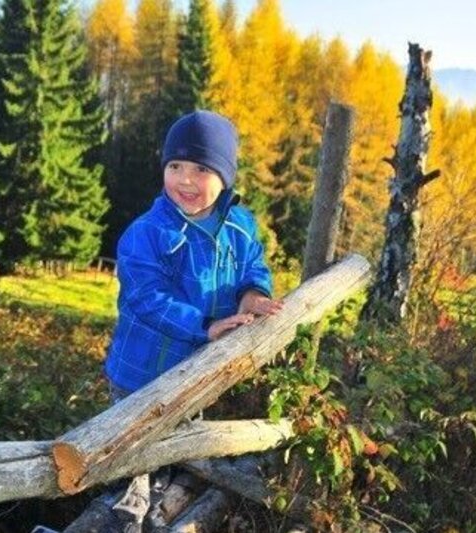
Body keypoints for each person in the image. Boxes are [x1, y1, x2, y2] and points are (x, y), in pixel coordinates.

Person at [102, 110, 283, 530]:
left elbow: (253, 267)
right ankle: (128, 507)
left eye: (201, 169)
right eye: (175, 166)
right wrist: (205, 326)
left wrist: (254, 295)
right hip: (140, 374)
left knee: (178, 444)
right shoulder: (147, 233)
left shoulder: (240, 226)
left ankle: (165, 499)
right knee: (132, 452)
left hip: (197, 373)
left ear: (225, 176)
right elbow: (147, 299)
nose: (185, 180)